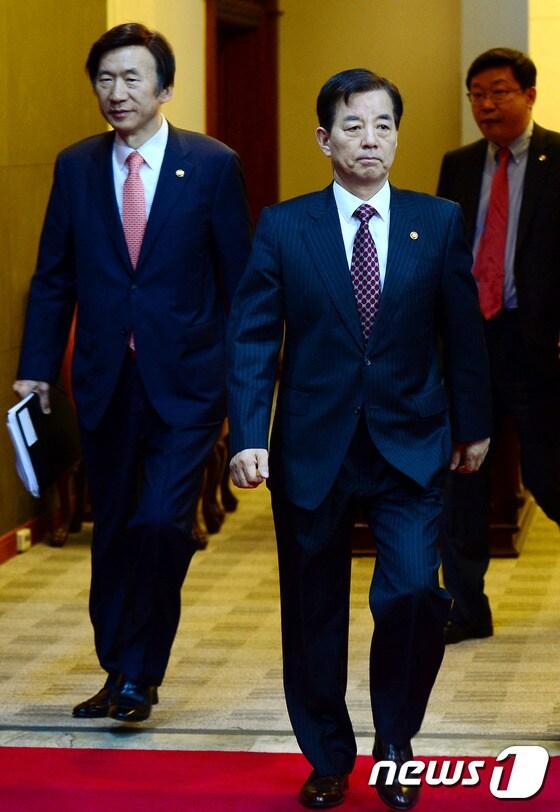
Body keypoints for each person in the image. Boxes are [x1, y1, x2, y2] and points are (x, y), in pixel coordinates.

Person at [227, 68, 491, 810]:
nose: (369, 139)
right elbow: (251, 333)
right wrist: (249, 431)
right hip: (312, 448)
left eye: (382, 125)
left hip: (411, 442)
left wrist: (474, 425)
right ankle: (327, 755)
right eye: (352, 125)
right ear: (324, 138)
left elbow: (461, 332)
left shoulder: (435, 220)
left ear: (397, 136)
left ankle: (397, 739)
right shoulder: (285, 226)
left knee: (413, 592)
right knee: (313, 612)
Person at [14, 22, 251, 723]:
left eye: (131, 79)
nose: (116, 93)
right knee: (114, 527)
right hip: (105, 383)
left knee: (159, 524)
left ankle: (141, 673)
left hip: (189, 386)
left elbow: (239, 286)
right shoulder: (76, 166)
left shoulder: (212, 165)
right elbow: (54, 276)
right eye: (105, 80)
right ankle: (120, 668)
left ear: (165, 88)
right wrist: (34, 370)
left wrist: (246, 393)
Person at [437, 48, 560, 645]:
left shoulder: (558, 158)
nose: (487, 104)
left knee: (550, 473)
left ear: (529, 95)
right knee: (463, 478)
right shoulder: (457, 166)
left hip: (538, 346)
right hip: (471, 344)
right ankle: (466, 605)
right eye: (477, 94)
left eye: (499, 91)